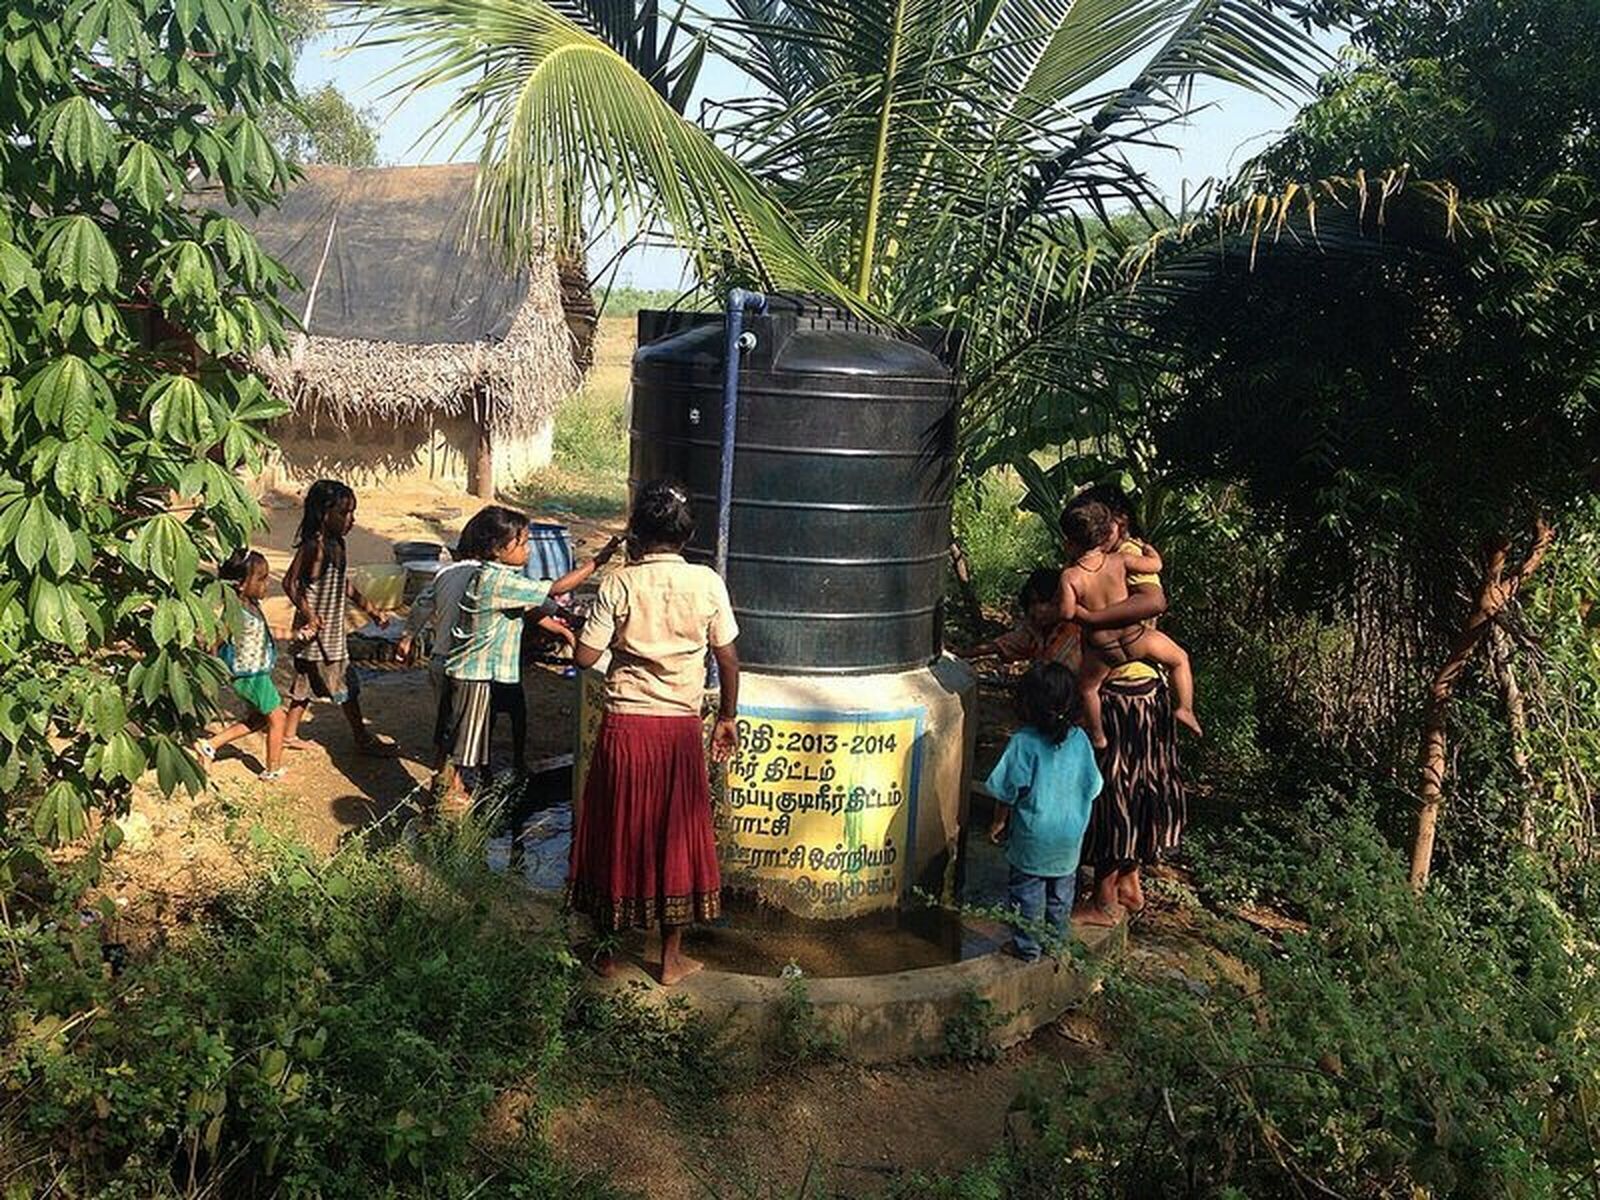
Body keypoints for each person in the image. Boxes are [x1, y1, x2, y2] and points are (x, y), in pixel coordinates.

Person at [567, 480, 740, 986]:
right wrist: (726, 717)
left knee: (614, 832)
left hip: (626, 726)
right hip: (679, 728)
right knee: (677, 838)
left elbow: (585, 657)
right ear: (687, 536)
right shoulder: (707, 583)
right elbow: (728, 658)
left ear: (636, 534)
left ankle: (605, 953)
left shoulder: (619, 584)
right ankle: (670, 960)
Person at [1065, 485, 1188, 925]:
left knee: (1113, 792)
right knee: (1136, 788)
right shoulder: (1108, 556)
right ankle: (1128, 883)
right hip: (1139, 690)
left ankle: (1102, 899)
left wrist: (1092, 618)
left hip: (1125, 692)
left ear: (1119, 520)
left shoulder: (1126, 554)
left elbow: (1153, 601)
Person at [437, 506, 618, 798]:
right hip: (473, 675)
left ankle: (456, 796)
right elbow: (556, 588)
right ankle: (450, 802)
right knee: (461, 751)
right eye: (521, 544)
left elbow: (531, 608)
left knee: (468, 742)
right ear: (497, 548)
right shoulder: (500, 581)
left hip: (481, 672)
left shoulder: (495, 577)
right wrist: (598, 561)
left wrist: (564, 627)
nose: (528, 551)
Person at [1059, 501, 1201, 748]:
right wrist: (1150, 550)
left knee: (1088, 688)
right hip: (1136, 639)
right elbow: (1155, 566)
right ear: (1105, 537)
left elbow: (1066, 611)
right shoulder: (1120, 560)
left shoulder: (1071, 576)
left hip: (1103, 649)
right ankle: (1185, 709)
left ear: (1069, 543)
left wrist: (1089, 616)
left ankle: (1098, 735)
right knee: (1179, 658)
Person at [986, 662, 1102, 961]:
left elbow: (1007, 791)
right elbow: (1093, 787)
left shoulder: (1023, 743)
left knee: (1026, 896)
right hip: (1068, 840)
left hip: (1032, 841)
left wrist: (998, 822)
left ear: (1027, 704)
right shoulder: (1080, 740)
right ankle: (1056, 944)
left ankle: (1027, 948)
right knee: (1061, 897)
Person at [281, 479, 396, 756]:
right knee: (347, 685)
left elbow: (341, 583)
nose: (351, 520)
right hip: (320, 636)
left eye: (352, 513)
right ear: (323, 513)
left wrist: (370, 609)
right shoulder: (314, 547)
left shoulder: (337, 545)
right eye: (344, 513)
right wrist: (309, 615)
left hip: (326, 632)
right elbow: (289, 583)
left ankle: (288, 734)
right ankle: (362, 737)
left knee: (304, 684)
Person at [197, 550, 287, 779]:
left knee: (257, 720)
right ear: (239, 584)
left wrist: (297, 634)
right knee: (278, 718)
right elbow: (215, 638)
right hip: (250, 676)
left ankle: (209, 745)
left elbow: (268, 631)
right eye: (261, 579)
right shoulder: (234, 613)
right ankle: (272, 769)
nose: (267, 584)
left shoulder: (251, 606)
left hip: (255, 674)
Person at [956, 568, 1080, 670]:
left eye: (1039, 602)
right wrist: (963, 653)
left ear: (1057, 601)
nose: (1034, 610)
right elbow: (1002, 645)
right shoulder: (1035, 632)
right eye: (1031, 604)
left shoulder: (1076, 631)